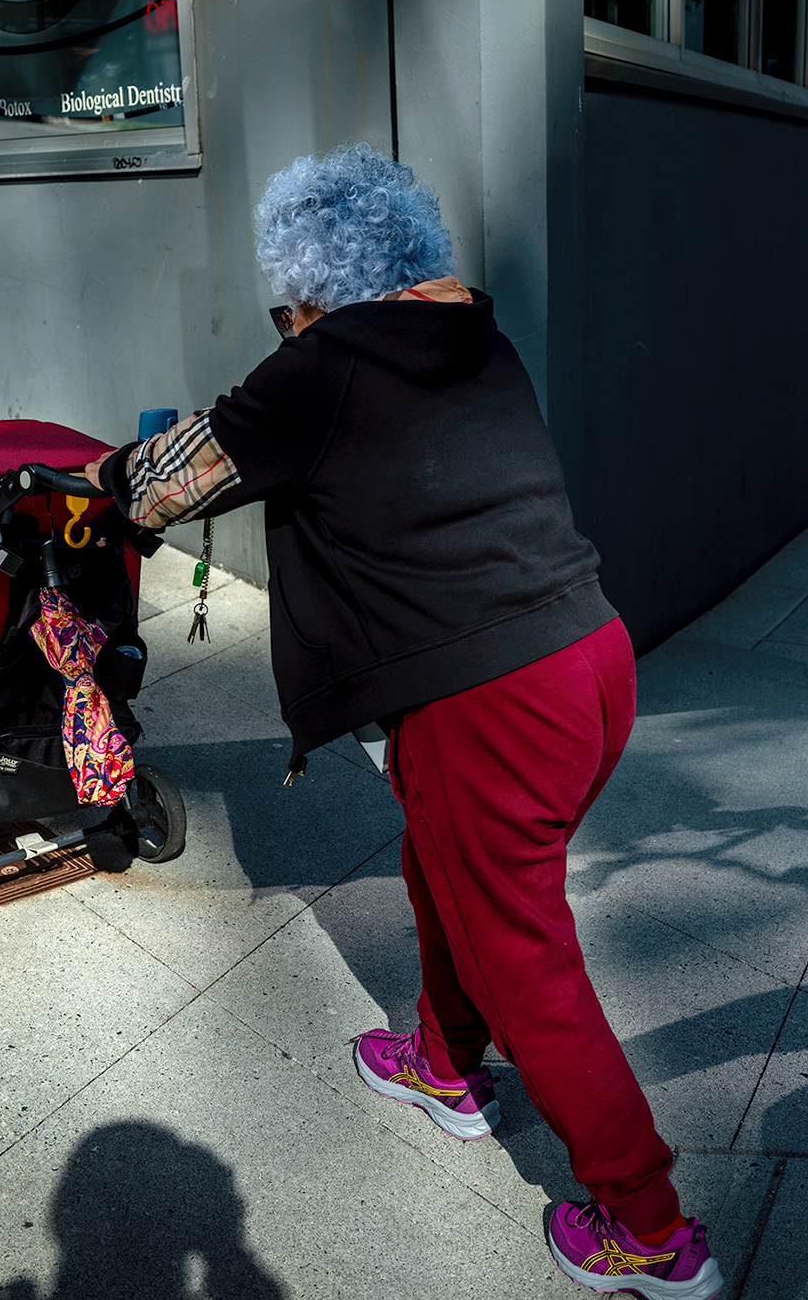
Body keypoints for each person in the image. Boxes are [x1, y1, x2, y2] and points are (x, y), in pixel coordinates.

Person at [85, 143, 725, 1300]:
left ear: (308, 287)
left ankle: (648, 1226)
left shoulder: (318, 366)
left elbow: (157, 487)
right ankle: (442, 1063)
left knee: (526, 952)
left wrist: (91, 473)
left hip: (490, 698)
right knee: (452, 872)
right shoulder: (480, 340)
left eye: (285, 305)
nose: (284, 323)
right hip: (589, 654)